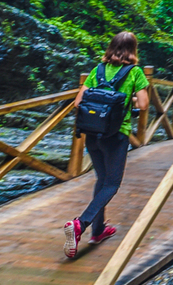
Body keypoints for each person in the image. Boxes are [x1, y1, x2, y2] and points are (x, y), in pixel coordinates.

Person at [63, 31, 150, 258]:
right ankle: (81, 224)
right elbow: (143, 103)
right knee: (112, 184)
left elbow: (78, 102)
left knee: (101, 179)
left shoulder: (97, 70)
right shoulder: (135, 72)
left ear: (111, 47)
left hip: (93, 134)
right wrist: (124, 98)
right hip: (116, 135)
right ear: (133, 50)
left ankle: (98, 230)